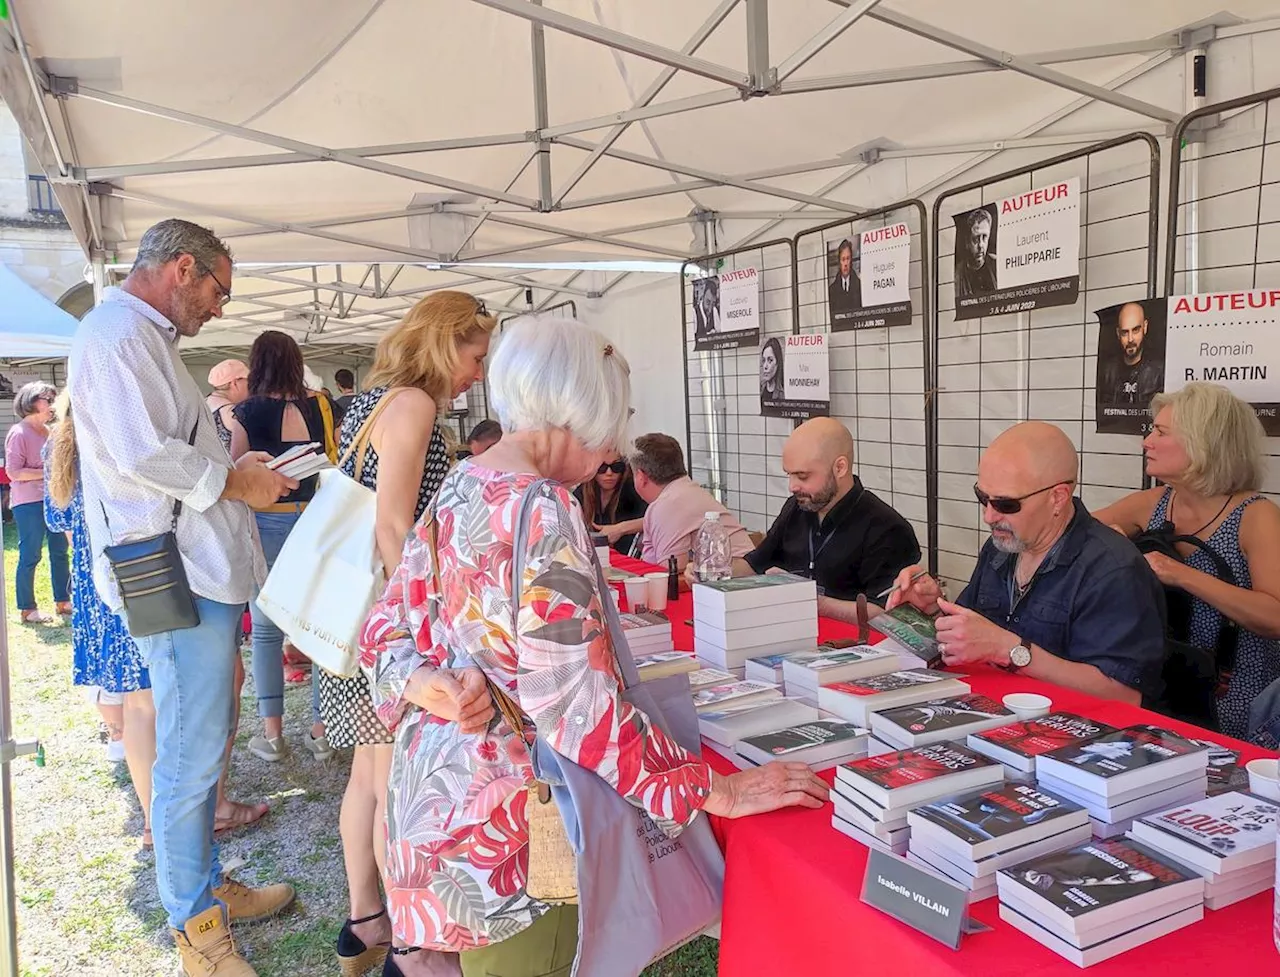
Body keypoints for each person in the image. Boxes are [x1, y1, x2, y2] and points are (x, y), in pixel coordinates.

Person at [359, 316, 827, 977]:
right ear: (583, 408)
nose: (612, 448)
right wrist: (712, 790)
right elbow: (576, 708)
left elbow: (383, 630)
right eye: (615, 420)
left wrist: (423, 682)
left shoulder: (463, 482)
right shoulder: (543, 508)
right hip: (516, 832)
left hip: (436, 812)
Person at [68, 218, 298, 977]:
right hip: (174, 571)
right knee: (190, 757)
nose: (221, 308)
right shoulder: (115, 337)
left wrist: (240, 463)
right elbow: (141, 457)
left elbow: (170, 452)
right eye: (219, 290)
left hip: (195, 568)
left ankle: (205, 888)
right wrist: (238, 479)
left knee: (204, 743)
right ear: (183, 268)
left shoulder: (141, 339)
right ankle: (196, 927)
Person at [320, 290, 496, 975]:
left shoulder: (376, 399)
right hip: (387, 619)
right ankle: (411, 941)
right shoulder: (416, 404)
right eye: (475, 356)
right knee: (395, 783)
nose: (477, 373)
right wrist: (421, 630)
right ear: (445, 341)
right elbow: (394, 524)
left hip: (358, 615)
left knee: (370, 772)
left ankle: (366, 920)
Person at [45, 392, 268, 848]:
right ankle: (207, 809)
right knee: (206, 689)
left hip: (103, 579)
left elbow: (58, 514)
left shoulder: (66, 445)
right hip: (149, 571)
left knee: (137, 705)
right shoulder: (124, 438)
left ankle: (154, 820)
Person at [887, 421, 1166, 706]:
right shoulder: (1002, 547)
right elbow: (971, 634)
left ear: (1057, 498)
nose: (989, 516)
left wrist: (1011, 651)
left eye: (1006, 505)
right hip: (992, 711)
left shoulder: (1112, 569)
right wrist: (931, 609)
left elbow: (1123, 694)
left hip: (1071, 729)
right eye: (982, 498)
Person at [1093, 383, 1280, 743]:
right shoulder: (1155, 502)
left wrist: (1181, 575)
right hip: (1168, 686)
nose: (1146, 442)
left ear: (1204, 443)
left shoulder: (1256, 516)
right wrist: (1104, 541)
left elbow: (1274, 617)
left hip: (1237, 695)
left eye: (1161, 432)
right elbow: (1071, 530)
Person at [222, 331, 331, 763]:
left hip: (268, 520)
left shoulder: (247, 409)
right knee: (321, 628)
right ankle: (322, 729)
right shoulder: (318, 403)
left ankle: (272, 734)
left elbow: (236, 472)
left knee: (266, 631)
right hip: (318, 518)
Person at [733, 417, 920, 620]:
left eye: (803, 476)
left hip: (853, 644)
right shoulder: (796, 507)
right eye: (789, 475)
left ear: (840, 468)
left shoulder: (887, 529)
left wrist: (809, 600)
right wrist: (712, 571)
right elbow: (755, 564)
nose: (792, 486)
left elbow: (885, 613)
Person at [630, 433, 752, 570]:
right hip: (742, 577)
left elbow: (669, 575)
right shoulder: (685, 490)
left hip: (734, 582)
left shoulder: (668, 504)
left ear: (641, 477)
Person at [5, 381, 69, 623]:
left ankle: (63, 601)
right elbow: (14, 472)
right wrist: (49, 472)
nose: (52, 404)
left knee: (60, 552)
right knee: (30, 554)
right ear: (30, 402)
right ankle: (27, 608)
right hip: (28, 502)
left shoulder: (50, 431)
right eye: (47, 398)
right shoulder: (19, 432)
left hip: (53, 499)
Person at [575, 453, 647, 554]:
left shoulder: (632, 490)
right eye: (602, 467)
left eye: (616, 467)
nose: (609, 473)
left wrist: (620, 529)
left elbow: (654, 519)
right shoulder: (582, 491)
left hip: (626, 558)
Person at [1101, 302, 1164, 409]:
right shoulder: (1108, 372)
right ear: (1118, 333)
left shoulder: (1159, 372)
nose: (1130, 339)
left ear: (1145, 327)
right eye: (1125, 332)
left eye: (1135, 330)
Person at [206, 359, 250, 453]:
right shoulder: (233, 414)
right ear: (235, 383)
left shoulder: (204, 403)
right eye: (248, 381)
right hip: (230, 467)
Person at [955, 206, 998, 300]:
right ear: (967, 242)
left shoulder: (997, 265)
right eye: (975, 239)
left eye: (984, 237)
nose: (981, 245)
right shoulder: (957, 274)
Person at [828, 238, 862, 319]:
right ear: (839, 262)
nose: (846, 263)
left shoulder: (860, 287)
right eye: (843, 259)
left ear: (851, 260)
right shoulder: (832, 290)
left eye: (848, 258)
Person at [759, 337, 784, 405]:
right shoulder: (760, 389)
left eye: (770, 360)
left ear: (778, 363)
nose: (765, 366)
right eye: (764, 360)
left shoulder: (783, 393)